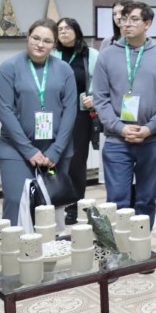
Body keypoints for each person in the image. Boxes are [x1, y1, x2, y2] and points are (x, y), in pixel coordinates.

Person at [94, 1, 156, 228]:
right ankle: (119, 247)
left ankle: (141, 244)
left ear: (147, 24)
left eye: (134, 19)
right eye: (123, 19)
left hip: (153, 139)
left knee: (146, 201)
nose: (126, 24)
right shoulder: (107, 56)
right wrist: (120, 127)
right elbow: (100, 98)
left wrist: (149, 127)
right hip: (116, 140)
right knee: (117, 201)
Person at [0, 18, 77, 224]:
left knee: (51, 205)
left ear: (55, 44)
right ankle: (14, 243)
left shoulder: (64, 70)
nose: (40, 44)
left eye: (47, 41)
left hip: (56, 150)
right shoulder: (8, 68)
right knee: (17, 201)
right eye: (36, 38)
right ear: (27, 37)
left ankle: (49, 244)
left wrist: (56, 150)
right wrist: (28, 150)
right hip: (15, 149)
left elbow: (70, 110)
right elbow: (5, 111)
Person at [52, 17, 98, 225]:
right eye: (59, 29)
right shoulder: (53, 54)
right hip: (55, 115)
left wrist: (94, 97)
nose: (63, 31)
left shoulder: (91, 55)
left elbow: (102, 82)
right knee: (54, 159)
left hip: (80, 115)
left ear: (77, 31)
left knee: (76, 162)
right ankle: (53, 204)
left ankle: (73, 206)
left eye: (67, 28)